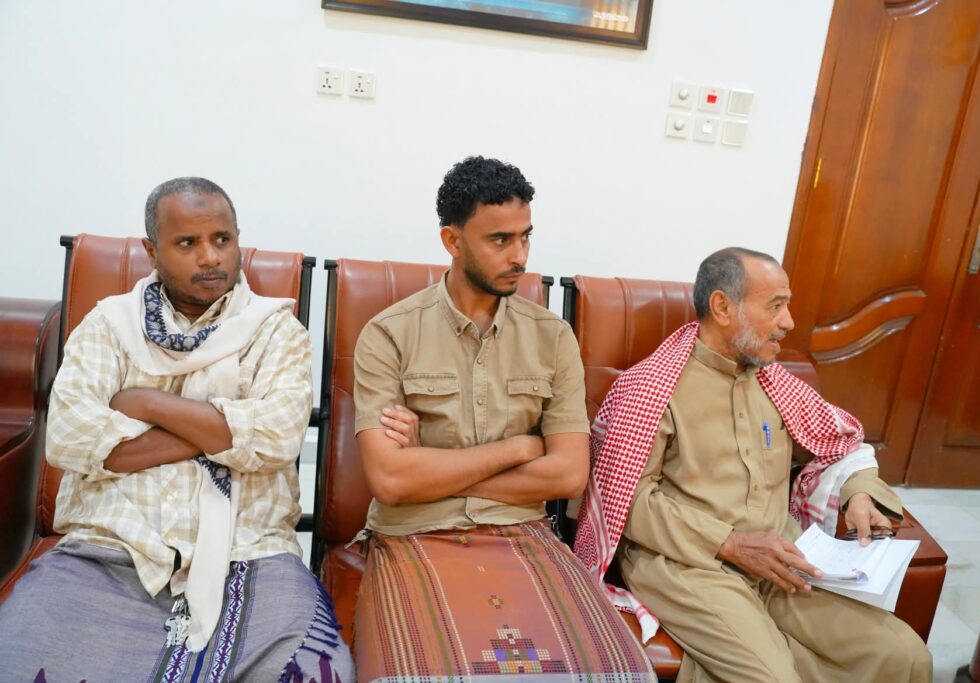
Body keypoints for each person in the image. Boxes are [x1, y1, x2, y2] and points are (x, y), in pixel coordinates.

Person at [0, 177, 354, 682]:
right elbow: (70, 437)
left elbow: (276, 439)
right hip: (108, 549)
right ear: (152, 251)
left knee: (315, 672)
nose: (210, 257)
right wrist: (222, 431)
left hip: (251, 552)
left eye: (222, 239)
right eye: (187, 243)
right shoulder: (109, 326)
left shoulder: (276, 331)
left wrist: (147, 403)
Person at [351, 156, 654, 682]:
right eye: (499, 240)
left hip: (524, 532)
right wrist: (518, 449)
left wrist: (432, 465)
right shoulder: (389, 335)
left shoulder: (552, 337)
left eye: (525, 237)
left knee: (618, 674)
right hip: (412, 533)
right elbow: (391, 481)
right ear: (452, 240)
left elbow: (568, 475)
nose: (519, 257)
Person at [573, 247, 932, 683]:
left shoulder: (776, 383)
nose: (789, 322)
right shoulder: (648, 389)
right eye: (775, 306)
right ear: (723, 307)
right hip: (688, 564)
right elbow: (626, 503)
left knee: (905, 657)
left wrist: (858, 493)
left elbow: (839, 443)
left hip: (782, 559)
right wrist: (729, 543)